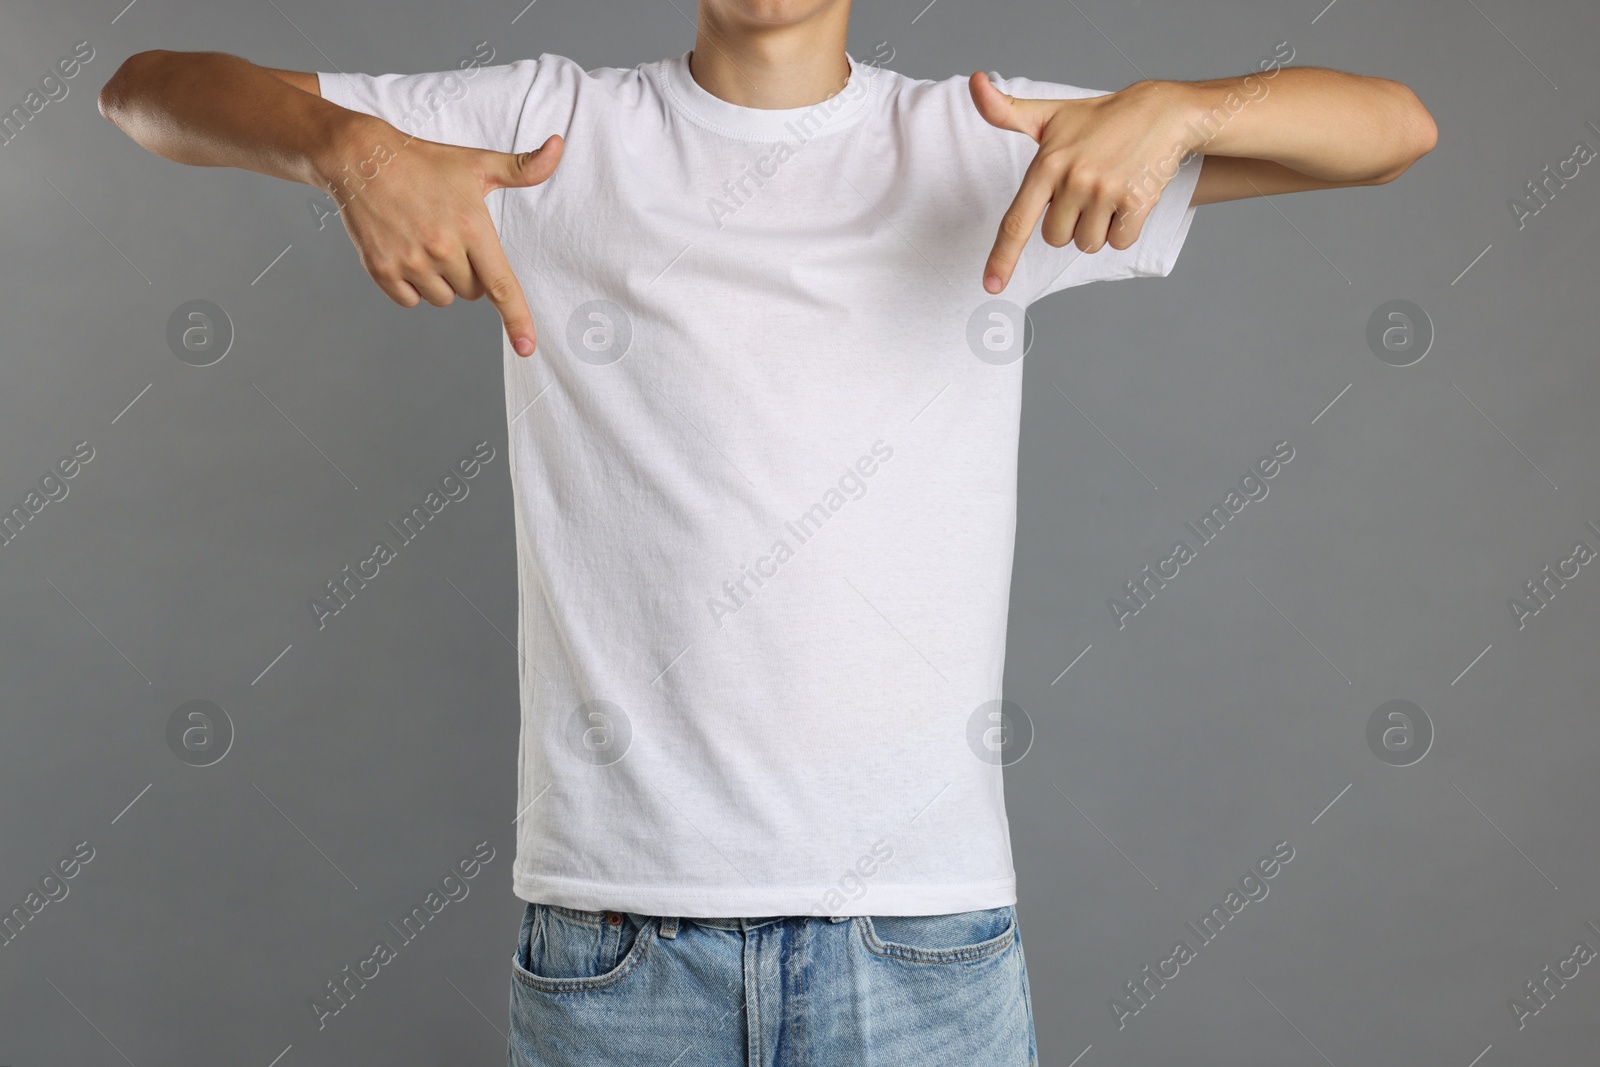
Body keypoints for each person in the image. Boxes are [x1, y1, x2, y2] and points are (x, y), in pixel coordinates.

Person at [97, 1, 1435, 1062]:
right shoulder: (543, 129)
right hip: (617, 942)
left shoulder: (985, 139)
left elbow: (1394, 126)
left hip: (920, 945)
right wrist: (352, 151)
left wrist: (1180, 110)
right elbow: (148, 87)